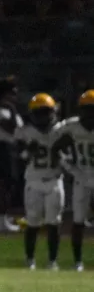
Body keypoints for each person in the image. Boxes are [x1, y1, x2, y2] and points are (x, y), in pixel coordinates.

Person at [15, 93, 64, 270]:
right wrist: (28, 151)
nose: (43, 117)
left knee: (53, 223)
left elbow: (70, 154)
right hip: (33, 180)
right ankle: (30, 259)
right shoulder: (25, 131)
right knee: (33, 222)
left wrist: (63, 157)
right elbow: (19, 158)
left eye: (45, 112)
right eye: (39, 113)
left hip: (54, 180)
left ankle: (52, 260)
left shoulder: (61, 130)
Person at [52, 89, 94, 272]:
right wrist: (69, 167)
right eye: (88, 109)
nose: (90, 114)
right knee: (78, 221)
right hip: (82, 177)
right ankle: (78, 261)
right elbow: (55, 147)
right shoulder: (71, 127)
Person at [0, 77, 24, 233]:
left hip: (8, 149)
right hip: (1, 150)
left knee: (7, 187)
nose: (15, 97)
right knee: (2, 187)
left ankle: (1, 218)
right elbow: (13, 129)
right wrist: (13, 110)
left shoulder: (5, 111)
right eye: (12, 93)